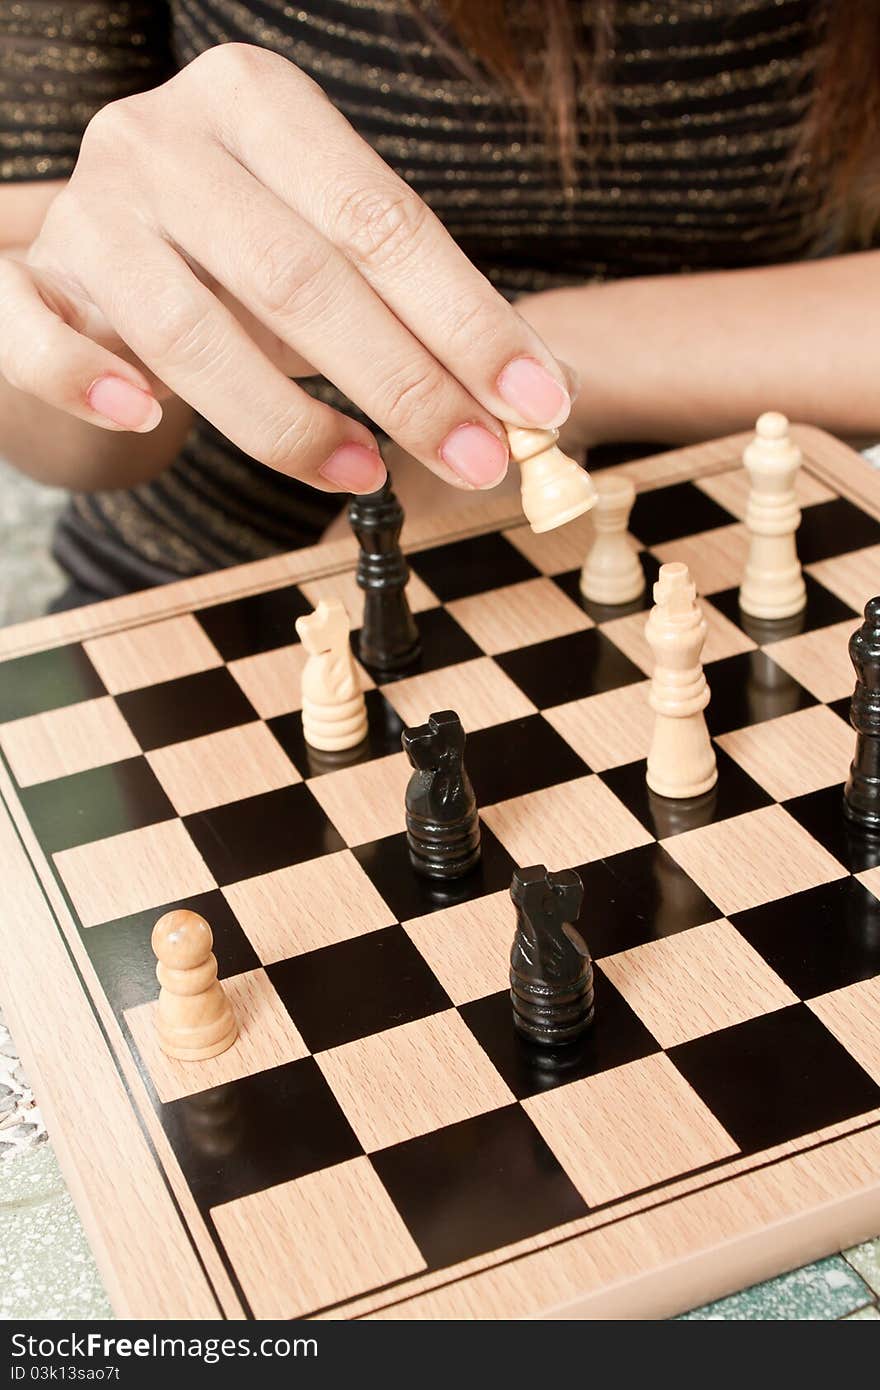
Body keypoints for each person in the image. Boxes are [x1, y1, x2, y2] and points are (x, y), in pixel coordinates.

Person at [0, 1, 878, 609]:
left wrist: (554, 360)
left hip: (749, 556)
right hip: (208, 587)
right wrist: (98, 334)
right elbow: (68, 437)